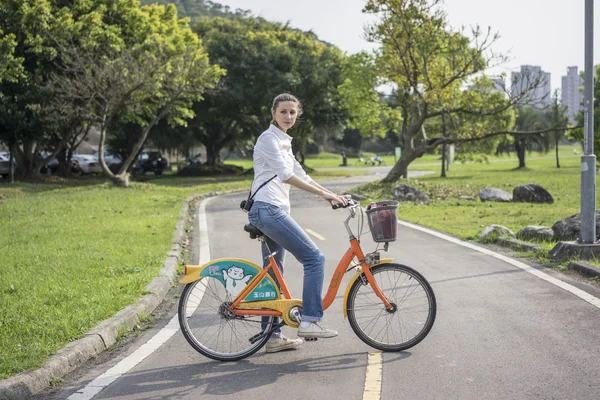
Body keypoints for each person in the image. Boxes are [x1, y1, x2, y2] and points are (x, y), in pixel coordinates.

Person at [248, 93, 348, 353]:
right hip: (267, 210)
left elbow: (302, 175)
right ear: (273, 113)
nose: (288, 116)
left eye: (293, 112)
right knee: (315, 258)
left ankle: (271, 337)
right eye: (283, 111)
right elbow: (286, 175)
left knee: (273, 273)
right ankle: (311, 320)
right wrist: (324, 194)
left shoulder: (284, 141)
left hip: (272, 210)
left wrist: (331, 194)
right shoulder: (268, 139)